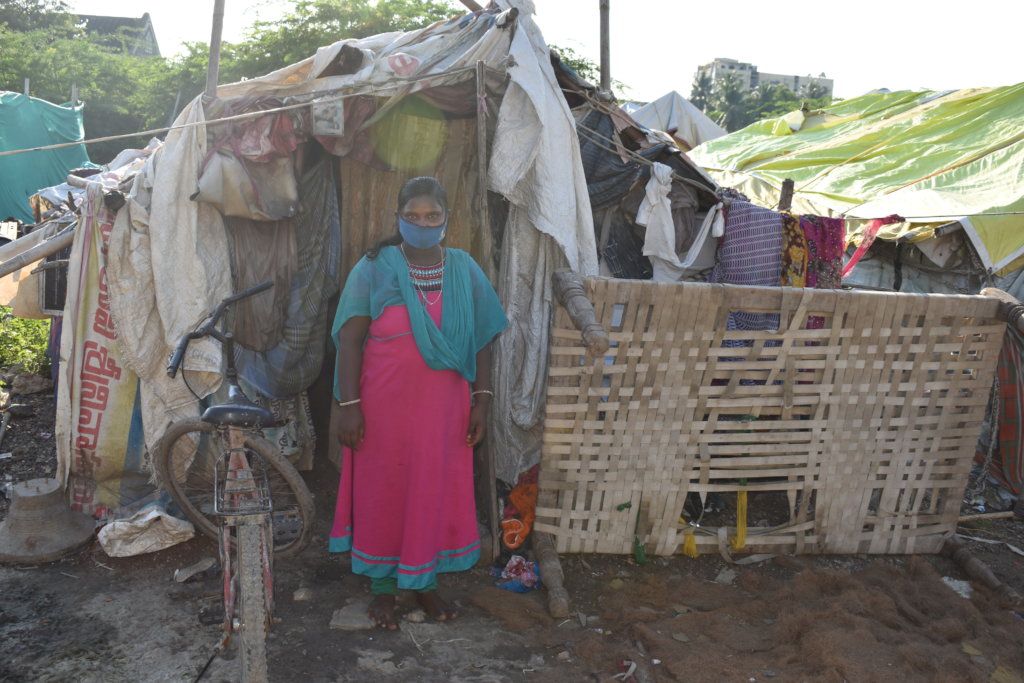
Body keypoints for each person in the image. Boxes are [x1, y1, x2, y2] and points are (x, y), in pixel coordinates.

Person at [329, 176, 507, 630]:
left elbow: (482, 340)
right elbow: (349, 341)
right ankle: (384, 590)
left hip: (443, 410)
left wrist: (481, 402)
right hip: (382, 406)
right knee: (383, 490)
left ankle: (424, 584)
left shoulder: (465, 269)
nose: (422, 224)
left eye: (431, 216)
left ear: (446, 220)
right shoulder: (374, 267)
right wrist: (349, 405)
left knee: (434, 488)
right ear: (398, 219)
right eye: (413, 217)